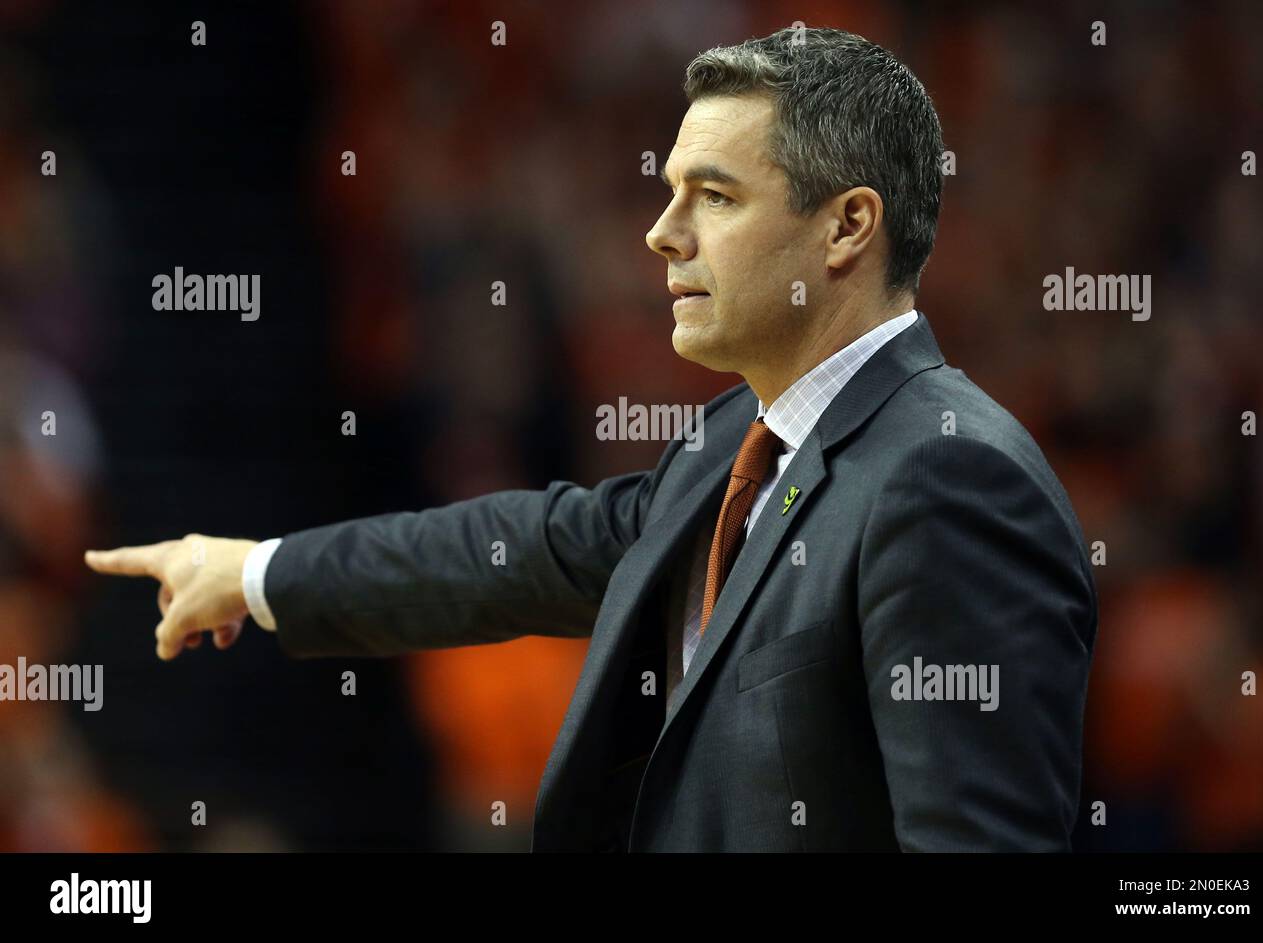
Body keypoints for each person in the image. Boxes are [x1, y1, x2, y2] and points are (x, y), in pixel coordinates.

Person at [85, 26, 1098, 852]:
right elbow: (519, 553)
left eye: (714, 195)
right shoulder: (737, 441)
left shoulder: (948, 476)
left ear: (845, 229)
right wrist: (259, 573)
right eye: (670, 192)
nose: (661, 232)